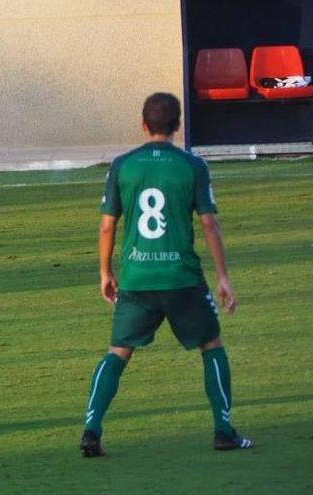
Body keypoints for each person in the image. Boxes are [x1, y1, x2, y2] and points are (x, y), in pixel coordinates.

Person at [80, 92, 254, 457]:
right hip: (183, 279)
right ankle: (224, 431)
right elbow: (209, 224)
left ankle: (91, 430)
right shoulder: (193, 165)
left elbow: (107, 227)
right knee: (212, 346)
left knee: (118, 352)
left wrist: (105, 272)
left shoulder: (123, 165)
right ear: (177, 125)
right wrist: (223, 277)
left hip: (137, 280)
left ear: (144, 125)